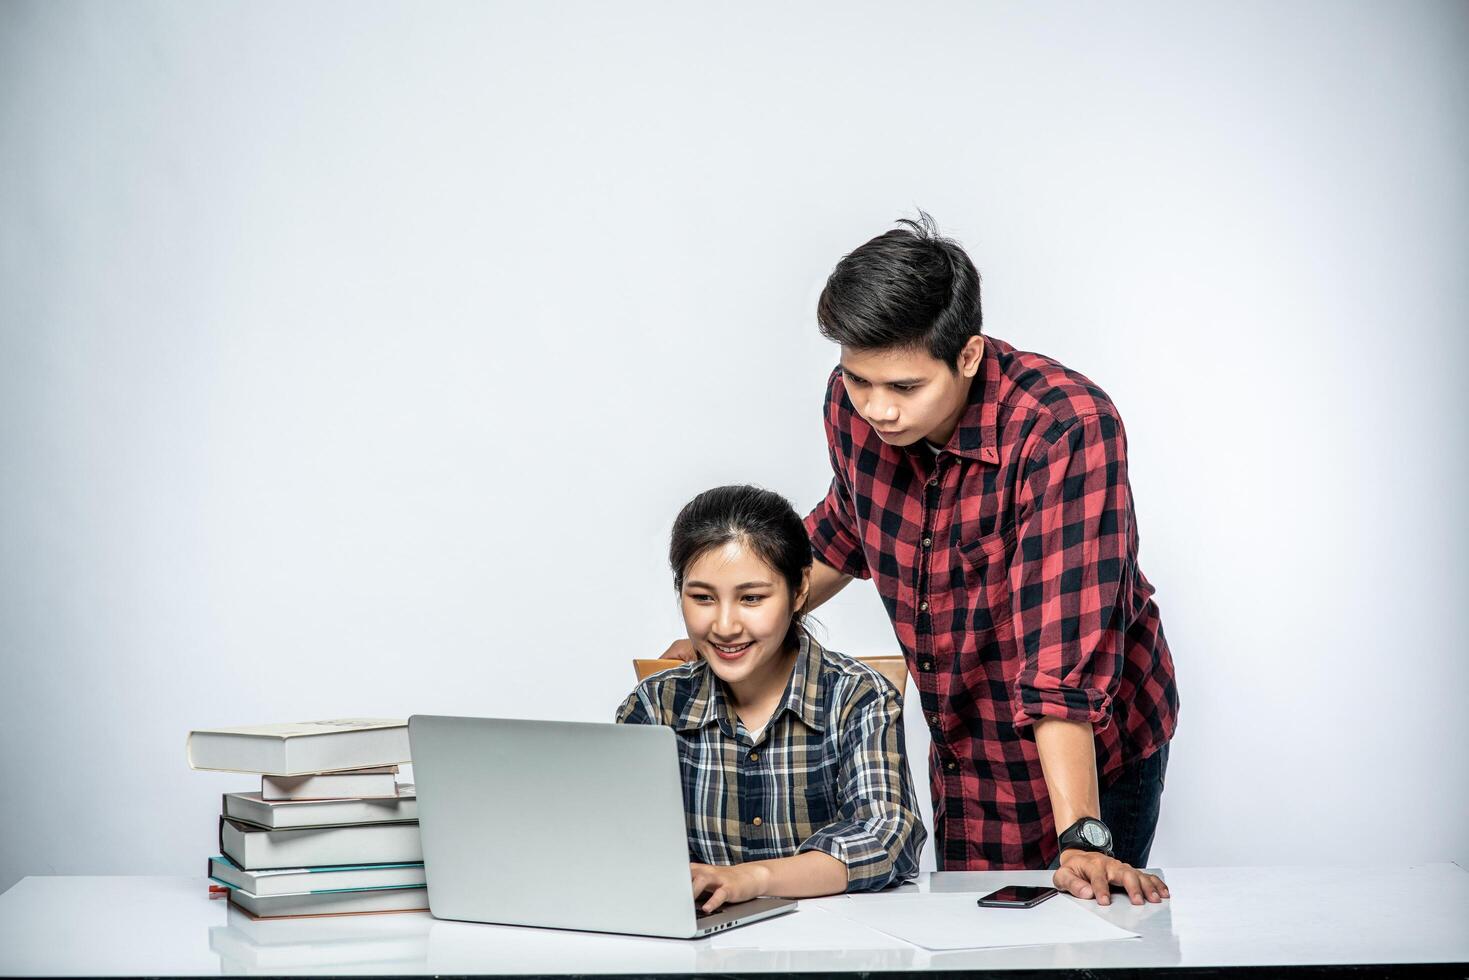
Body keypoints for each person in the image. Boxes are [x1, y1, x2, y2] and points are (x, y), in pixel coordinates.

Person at [666, 215, 1179, 907]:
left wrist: (1082, 835)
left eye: (904, 388)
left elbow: (1063, 657)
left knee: (1074, 930)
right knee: (978, 936)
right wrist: (738, 625)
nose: (876, 409)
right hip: (964, 739)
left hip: (1085, 741)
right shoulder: (852, 406)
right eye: (858, 380)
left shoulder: (1064, 427)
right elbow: (848, 531)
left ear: (967, 356)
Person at [618, 484, 926, 914]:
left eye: (752, 598)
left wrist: (753, 877)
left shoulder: (858, 697)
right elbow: (621, 845)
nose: (725, 626)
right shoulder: (655, 706)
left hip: (834, 950)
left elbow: (885, 836)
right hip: (694, 952)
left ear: (799, 590)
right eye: (702, 597)